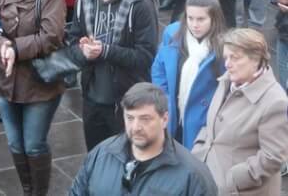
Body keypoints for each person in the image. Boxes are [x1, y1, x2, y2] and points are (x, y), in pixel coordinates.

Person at [0, 0, 66, 196]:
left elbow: (51, 36)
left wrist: (14, 48)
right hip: (6, 81)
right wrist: (1, 45)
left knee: (34, 144)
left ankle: (38, 192)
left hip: (40, 83)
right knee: (14, 143)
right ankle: (26, 188)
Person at [68, 0, 158, 150]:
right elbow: (72, 43)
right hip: (92, 98)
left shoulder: (140, 4)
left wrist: (105, 51)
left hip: (127, 101)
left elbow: (145, 57)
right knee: (97, 158)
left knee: (128, 161)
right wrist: (82, 51)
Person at [69, 83, 218, 196]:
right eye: (130, 118)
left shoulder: (193, 176)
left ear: (164, 119)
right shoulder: (100, 155)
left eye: (145, 119)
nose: (136, 127)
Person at [192, 28, 288, 195]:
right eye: (226, 57)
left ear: (256, 59)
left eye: (235, 58)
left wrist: (233, 179)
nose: (227, 64)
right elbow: (210, 124)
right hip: (209, 179)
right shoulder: (227, 81)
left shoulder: (275, 101)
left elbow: (272, 157)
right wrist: (199, 151)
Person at [151, 0, 225, 150]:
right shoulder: (172, 33)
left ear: (214, 18)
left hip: (200, 121)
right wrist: (164, 96)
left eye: (201, 19)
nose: (194, 24)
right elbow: (159, 66)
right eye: (190, 18)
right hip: (172, 112)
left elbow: (225, 88)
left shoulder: (222, 49)